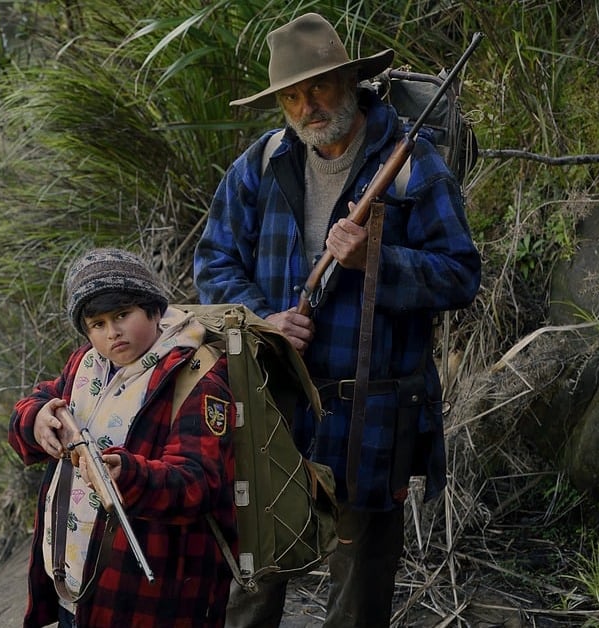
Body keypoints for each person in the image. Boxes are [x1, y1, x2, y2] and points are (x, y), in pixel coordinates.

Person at [193, 13, 482, 628]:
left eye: (319, 87)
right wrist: (262, 320)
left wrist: (376, 257)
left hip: (374, 414)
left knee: (359, 596)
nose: (308, 106)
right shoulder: (263, 163)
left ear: (351, 79)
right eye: (292, 96)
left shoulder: (412, 161)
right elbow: (214, 261)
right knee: (254, 580)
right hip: (278, 406)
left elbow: (461, 274)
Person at [9, 247, 238, 628]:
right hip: (76, 587)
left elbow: (200, 482)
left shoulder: (196, 377)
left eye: (121, 315)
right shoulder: (85, 365)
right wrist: (34, 420)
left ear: (154, 309)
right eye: (97, 324)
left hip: (152, 599)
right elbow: (37, 400)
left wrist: (129, 474)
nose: (111, 333)